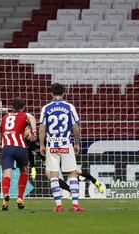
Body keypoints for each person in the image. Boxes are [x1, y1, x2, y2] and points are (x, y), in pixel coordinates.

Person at [39, 83, 85, 212]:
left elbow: (42, 128)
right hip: (66, 143)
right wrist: (76, 143)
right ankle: (75, 204)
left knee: (53, 175)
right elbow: (75, 127)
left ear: (51, 93)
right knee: (72, 173)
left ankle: (59, 205)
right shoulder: (70, 107)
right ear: (63, 93)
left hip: (52, 144)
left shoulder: (46, 108)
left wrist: (42, 145)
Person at [25, 128, 104, 194]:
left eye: (25, 130)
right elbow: (30, 155)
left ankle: (96, 182)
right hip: (48, 160)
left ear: (30, 129)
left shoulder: (40, 137)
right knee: (51, 177)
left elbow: (52, 142)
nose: (24, 132)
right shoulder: (26, 142)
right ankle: (71, 191)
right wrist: (33, 168)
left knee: (76, 171)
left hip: (57, 154)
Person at [0, 98, 37, 211]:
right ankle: (20, 198)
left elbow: (0, 133)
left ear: (11, 107)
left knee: (6, 173)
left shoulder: (4, 117)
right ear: (23, 107)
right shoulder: (25, 115)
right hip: (20, 147)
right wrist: (33, 131)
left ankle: (5, 198)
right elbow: (32, 118)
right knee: (24, 171)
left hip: (7, 148)